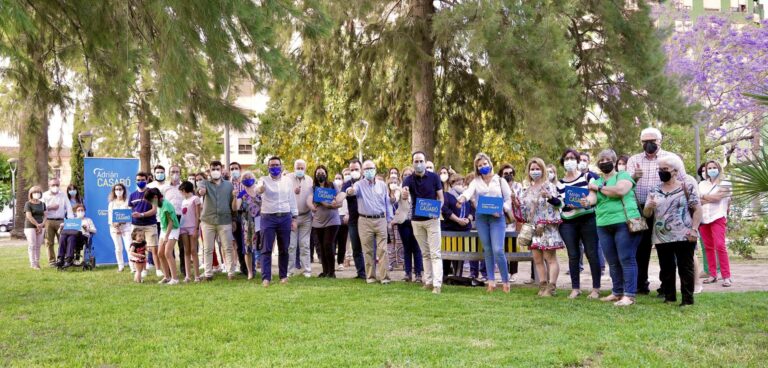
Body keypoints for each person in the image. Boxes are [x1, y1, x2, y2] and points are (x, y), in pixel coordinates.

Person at [626, 127, 687, 296]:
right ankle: (640, 285)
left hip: (665, 211)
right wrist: (635, 177)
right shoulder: (633, 160)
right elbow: (625, 186)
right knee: (640, 249)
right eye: (645, 141)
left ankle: (666, 287)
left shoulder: (672, 159)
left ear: (660, 141)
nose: (648, 144)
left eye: (652, 141)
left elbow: (683, 182)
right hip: (639, 210)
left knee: (665, 249)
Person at [581, 149, 642, 307]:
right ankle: (617, 292)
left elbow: (621, 191)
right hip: (602, 224)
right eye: (601, 160)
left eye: (607, 159)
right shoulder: (597, 181)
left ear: (614, 161)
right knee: (612, 261)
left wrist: (599, 189)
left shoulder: (623, 176)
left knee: (626, 259)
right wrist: (586, 202)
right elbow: (592, 199)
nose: (604, 162)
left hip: (624, 222)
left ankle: (629, 295)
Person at [643, 155, 702, 306]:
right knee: (666, 269)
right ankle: (669, 297)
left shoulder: (686, 187)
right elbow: (647, 214)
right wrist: (649, 205)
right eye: (659, 169)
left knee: (685, 268)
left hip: (684, 234)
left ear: (675, 171)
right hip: (662, 236)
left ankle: (687, 300)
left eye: (665, 169)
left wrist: (694, 230)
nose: (661, 172)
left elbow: (697, 210)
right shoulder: (655, 189)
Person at [458, 155, 512, 292]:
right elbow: (469, 192)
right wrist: (462, 198)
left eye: (484, 164)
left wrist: (501, 209)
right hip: (482, 218)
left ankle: (506, 282)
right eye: (480, 165)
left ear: (490, 163)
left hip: (497, 218)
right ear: (477, 168)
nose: (483, 167)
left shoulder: (500, 180)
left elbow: (508, 200)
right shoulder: (476, 181)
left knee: (498, 250)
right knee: (487, 250)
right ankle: (491, 282)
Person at [557, 148, 601, 299]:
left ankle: (596, 289)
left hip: (587, 219)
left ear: (577, 161)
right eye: (566, 158)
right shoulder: (559, 183)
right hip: (568, 223)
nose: (569, 161)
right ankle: (575, 288)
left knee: (592, 253)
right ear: (563, 162)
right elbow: (558, 204)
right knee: (573, 255)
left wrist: (586, 202)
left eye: (572, 158)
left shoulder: (588, 177)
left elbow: (594, 197)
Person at [519, 158, 564, 297]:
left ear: (543, 170)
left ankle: (552, 287)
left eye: (537, 168)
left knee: (550, 258)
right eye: (532, 169)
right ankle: (542, 285)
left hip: (547, 228)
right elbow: (525, 211)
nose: (534, 171)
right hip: (533, 229)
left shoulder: (549, 186)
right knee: (537, 259)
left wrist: (544, 221)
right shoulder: (527, 190)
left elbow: (558, 205)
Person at [344, 160, 393, 284]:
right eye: (366, 170)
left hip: (381, 219)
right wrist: (349, 191)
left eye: (370, 168)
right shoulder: (359, 184)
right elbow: (352, 190)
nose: (368, 171)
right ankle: (370, 277)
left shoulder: (382, 185)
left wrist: (389, 220)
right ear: (363, 172)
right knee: (368, 250)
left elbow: (387, 203)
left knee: (383, 250)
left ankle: (384, 278)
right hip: (364, 220)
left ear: (375, 169)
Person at [402, 152, 444, 294]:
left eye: (421, 161)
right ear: (412, 163)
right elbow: (404, 193)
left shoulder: (434, 177)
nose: (418, 163)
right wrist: (404, 194)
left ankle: (437, 284)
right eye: (416, 161)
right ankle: (428, 281)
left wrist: (437, 210)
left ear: (425, 162)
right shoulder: (408, 179)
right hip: (416, 221)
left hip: (432, 220)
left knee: (435, 253)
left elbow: (441, 198)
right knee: (425, 253)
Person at [256, 156, 298, 287]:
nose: (274, 167)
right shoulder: (263, 180)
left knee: (284, 248)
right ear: (268, 167)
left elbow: (291, 199)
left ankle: (283, 276)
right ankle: (266, 278)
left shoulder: (287, 181)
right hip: (268, 217)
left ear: (281, 166)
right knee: (266, 248)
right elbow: (259, 189)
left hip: (285, 217)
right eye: (272, 165)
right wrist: (260, 189)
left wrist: (295, 218)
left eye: (276, 165)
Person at [197, 161, 237, 281]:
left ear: (221, 169)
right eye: (213, 169)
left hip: (225, 221)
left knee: (228, 247)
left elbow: (232, 204)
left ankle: (231, 273)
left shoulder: (229, 185)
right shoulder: (204, 183)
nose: (215, 171)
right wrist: (201, 191)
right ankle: (208, 273)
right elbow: (200, 191)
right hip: (207, 221)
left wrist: (234, 219)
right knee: (208, 248)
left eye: (217, 169)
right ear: (209, 170)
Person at [698, 160, 732, 287]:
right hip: (704, 218)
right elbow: (698, 200)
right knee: (708, 247)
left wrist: (704, 197)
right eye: (709, 168)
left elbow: (718, 198)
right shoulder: (702, 184)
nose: (711, 169)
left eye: (714, 167)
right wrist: (709, 197)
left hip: (718, 217)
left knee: (720, 245)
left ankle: (726, 276)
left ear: (719, 168)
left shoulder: (726, 182)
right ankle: (712, 275)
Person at [307, 165, 342, 278]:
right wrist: (314, 205)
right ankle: (325, 271)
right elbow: (309, 200)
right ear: (315, 175)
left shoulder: (332, 185)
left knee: (328, 244)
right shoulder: (313, 188)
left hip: (332, 220)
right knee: (321, 246)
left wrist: (331, 204)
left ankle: (332, 272)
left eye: (322, 173)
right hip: (318, 221)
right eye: (318, 173)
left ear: (326, 174)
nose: (320, 175)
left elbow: (339, 202)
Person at [393, 166, 424, 283]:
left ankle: (418, 274)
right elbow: (395, 199)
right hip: (404, 222)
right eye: (404, 174)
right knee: (407, 248)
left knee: (417, 248)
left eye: (409, 174)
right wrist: (395, 197)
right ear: (402, 177)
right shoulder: (399, 189)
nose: (407, 176)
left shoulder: (419, 187)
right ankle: (407, 273)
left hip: (417, 220)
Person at [499, 164, 527, 283]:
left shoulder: (518, 186)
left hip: (514, 221)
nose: (508, 175)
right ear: (501, 175)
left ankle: (513, 273)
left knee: (513, 246)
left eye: (510, 173)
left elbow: (521, 204)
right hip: (501, 219)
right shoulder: (497, 186)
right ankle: (504, 273)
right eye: (505, 173)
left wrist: (513, 196)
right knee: (503, 247)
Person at [146, 188, 180, 285]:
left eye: (150, 200)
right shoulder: (159, 204)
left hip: (172, 229)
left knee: (167, 253)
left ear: (156, 197)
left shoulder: (166, 205)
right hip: (164, 229)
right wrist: (164, 234)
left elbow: (171, 222)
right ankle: (167, 277)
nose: (150, 203)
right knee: (160, 253)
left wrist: (166, 236)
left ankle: (175, 279)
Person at [341, 159, 367, 279]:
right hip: (353, 221)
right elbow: (341, 195)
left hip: (367, 220)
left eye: (356, 169)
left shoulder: (368, 182)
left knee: (368, 247)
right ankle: (361, 273)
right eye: (352, 170)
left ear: (361, 169)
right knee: (356, 248)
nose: (354, 171)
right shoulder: (347, 183)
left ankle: (370, 272)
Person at [128, 172, 158, 279]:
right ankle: (141, 270)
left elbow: (154, 210)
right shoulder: (132, 195)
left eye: (142, 180)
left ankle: (158, 269)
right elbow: (129, 209)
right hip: (136, 226)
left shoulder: (152, 194)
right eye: (138, 180)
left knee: (153, 248)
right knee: (138, 248)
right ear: (135, 181)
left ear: (147, 180)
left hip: (150, 224)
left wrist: (141, 214)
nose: (140, 182)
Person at [288, 159, 314, 278]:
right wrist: (293, 192)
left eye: (302, 168)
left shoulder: (309, 179)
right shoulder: (287, 178)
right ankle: (290, 270)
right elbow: (283, 193)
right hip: (291, 217)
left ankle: (307, 270)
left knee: (305, 244)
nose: (299, 170)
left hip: (306, 216)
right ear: (294, 168)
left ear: (305, 168)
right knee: (291, 245)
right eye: (297, 167)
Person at [235, 172, 261, 280]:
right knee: (248, 248)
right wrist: (235, 197)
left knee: (262, 245)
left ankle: (264, 269)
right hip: (247, 223)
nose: (248, 179)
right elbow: (236, 207)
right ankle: (250, 272)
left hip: (261, 221)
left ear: (254, 178)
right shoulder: (241, 193)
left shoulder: (260, 191)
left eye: (250, 177)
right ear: (242, 181)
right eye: (245, 178)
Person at [42, 178, 73, 266]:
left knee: (63, 241)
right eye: (53, 185)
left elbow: (69, 207)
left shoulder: (63, 195)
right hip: (49, 221)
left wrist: (70, 221)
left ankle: (63, 260)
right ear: (49, 185)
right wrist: (49, 207)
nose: (55, 187)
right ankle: (52, 261)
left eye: (57, 185)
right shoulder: (44, 195)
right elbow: (41, 208)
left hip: (61, 221)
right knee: (49, 242)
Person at [164, 165, 186, 278]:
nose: (175, 173)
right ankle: (171, 272)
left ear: (180, 173)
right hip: (169, 219)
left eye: (177, 171)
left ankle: (184, 270)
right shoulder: (165, 188)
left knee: (183, 246)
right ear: (169, 173)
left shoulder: (184, 186)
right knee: (169, 247)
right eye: (173, 171)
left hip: (182, 218)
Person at [179, 181, 202, 282]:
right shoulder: (184, 201)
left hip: (192, 227)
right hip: (183, 227)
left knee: (193, 250)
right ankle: (188, 275)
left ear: (184, 190)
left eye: (181, 191)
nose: (181, 193)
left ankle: (197, 275)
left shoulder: (195, 199)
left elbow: (198, 215)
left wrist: (197, 229)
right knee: (186, 251)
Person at [229, 161, 248, 277]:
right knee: (238, 244)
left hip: (245, 214)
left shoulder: (245, 183)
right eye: (231, 169)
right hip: (234, 216)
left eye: (236, 168)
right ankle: (242, 267)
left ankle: (248, 268)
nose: (234, 170)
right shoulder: (227, 185)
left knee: (246, 242)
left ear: (240, 170)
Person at [108, 183, 133, 273]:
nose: (118, 191)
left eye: (120, 189)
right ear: (114, 191)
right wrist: (115, 225)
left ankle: (133, 267)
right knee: (118, 248)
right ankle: (121, 266)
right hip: (114, 229)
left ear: (124, 190)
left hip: (126, 228)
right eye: (116, 189)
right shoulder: (111, 203)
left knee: (129, 247)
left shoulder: (128, 202)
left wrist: (121, 221)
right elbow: (110, 218)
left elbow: (129, 215)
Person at [24, 186, 46, 270]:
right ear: (31, 194)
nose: (36, 194)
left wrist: (42, 224)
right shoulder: (28, 204)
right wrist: (37, 225)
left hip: (41, 226)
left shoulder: (42, 204)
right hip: (30, 226)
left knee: (38, 245)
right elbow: (29, 216)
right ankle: (32, 263)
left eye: (38, 192)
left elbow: (45, 215)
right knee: (32, 245)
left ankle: (37, 263)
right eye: (34, 192)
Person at [386, 169, 404, 272]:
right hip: (388, 222)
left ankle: (401, 263)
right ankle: (391, 263)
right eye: (391, 183)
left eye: (395, 183)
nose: (393, 184)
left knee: (399, 243)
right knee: (390, 243)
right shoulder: (385, 195)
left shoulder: (399, 195)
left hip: (397, 221)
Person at [333, 172, 349, 271]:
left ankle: (340, 262)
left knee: (342, 242)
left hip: (343, 218)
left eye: (339, 178)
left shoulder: (346, 190)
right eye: (336, 178)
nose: (338, 180)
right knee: (332, 242)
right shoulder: (331, 190)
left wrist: (347, 214)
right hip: (333, 217)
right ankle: (331, 262)